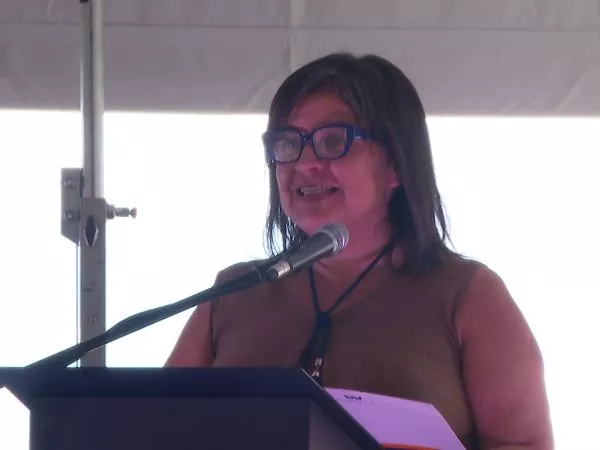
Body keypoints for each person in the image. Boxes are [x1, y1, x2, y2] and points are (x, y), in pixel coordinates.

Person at [166, 52, 554, 449]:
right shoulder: (232, 293)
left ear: (396, 164)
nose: (305, 163)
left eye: (333, 141)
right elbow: (155, 428)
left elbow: (525, 444)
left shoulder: (470, 295)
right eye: (288, 143)